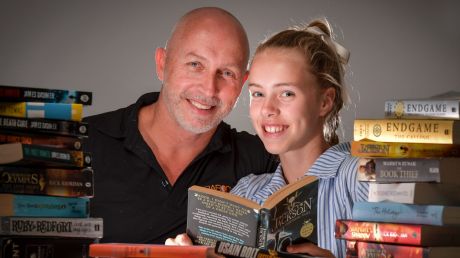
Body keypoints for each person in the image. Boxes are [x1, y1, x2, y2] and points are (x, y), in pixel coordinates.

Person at [166, 19, 369, 258]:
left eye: (286, 93)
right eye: (258, 93)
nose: (267, 109)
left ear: (325, 101)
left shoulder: (362, 176)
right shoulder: (247, 194)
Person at [83, 7, 278, 244]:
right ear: (162, 64)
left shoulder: (262, 159)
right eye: (195, 64)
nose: (209, 89)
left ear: (243, 84)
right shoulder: (81, 144)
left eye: (227, 73)